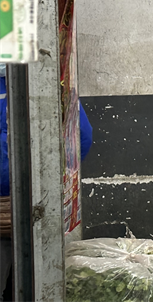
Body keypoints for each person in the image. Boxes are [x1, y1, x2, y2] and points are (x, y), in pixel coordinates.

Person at [0, 63, 92, 301]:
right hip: (35, 206)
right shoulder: (45, 78)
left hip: (27, 207)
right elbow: (79, 136)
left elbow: (80, 134)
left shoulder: (45, 79)